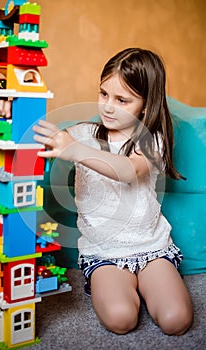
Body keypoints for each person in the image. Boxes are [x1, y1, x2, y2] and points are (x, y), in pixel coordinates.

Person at [33, 48, 193, 335]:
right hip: (104, 252)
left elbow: (128, 171)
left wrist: (75, 150)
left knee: (176, 320)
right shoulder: (81, 134)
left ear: (145, 105)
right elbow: (36, 137)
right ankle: (115, 286)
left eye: (122, 100)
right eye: (103, 94)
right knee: (121, 319)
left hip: (151, 248)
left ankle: (147, 284)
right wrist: (8, 109)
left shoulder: (151, 140)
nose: (107, 106)